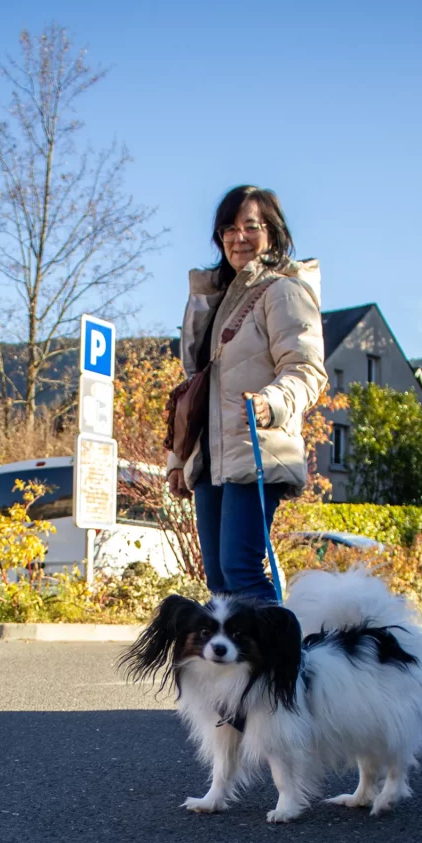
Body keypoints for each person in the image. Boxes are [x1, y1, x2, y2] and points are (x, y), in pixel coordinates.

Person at [167, 185, 327, 601]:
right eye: (228, 229)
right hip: (210, 460)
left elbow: (306, 368)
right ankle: (240, 668)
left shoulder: (284, 291)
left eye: (250, 226)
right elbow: (194, 388)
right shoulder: (214, 300)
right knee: (219, 580)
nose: (239, 237)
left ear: (272, 232)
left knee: (241, 567)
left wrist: (273, 403)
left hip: (259, 447)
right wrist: (178, 459)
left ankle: (283, 666)